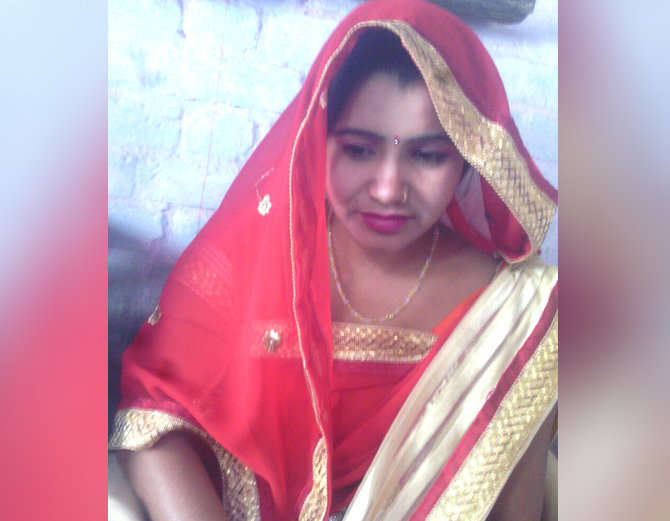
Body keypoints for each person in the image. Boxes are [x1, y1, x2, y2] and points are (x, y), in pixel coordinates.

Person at [109, 1, 558, 520]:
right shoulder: (252, 259)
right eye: (360, 150)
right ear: (315, 141)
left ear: (467, 160)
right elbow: (154, 417)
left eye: (428, 156)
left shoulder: (515, 308)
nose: (388, 189)